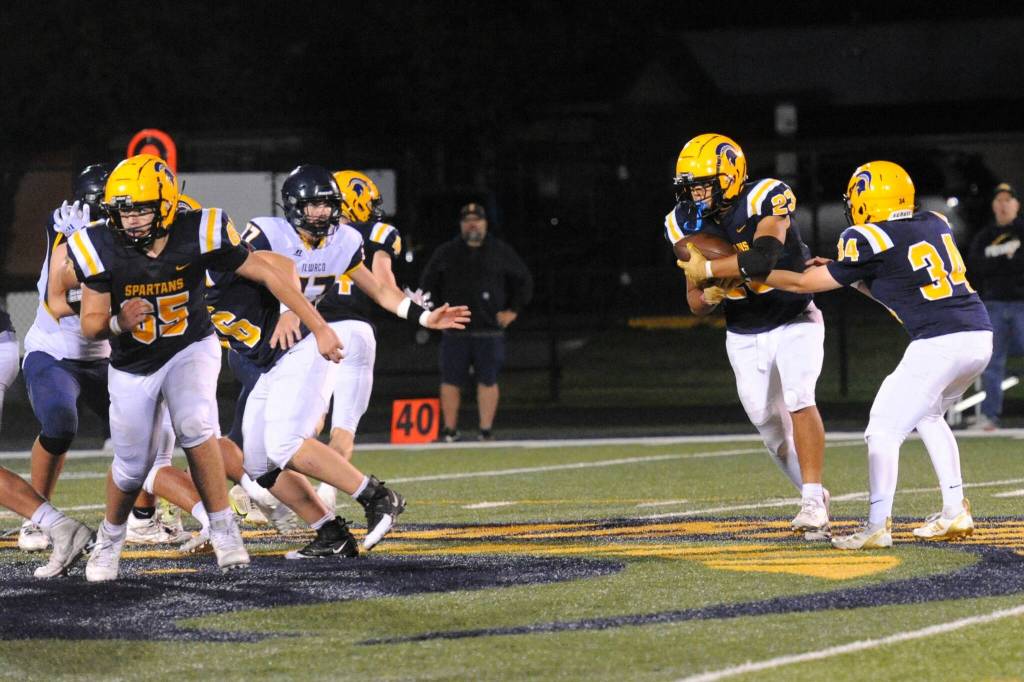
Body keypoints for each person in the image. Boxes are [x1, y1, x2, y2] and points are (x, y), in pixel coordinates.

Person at [67, 154, 344, 581]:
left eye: (140, 208)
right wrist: (119, 321)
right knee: (131, 465)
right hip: (132, 363)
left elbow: (270, 274)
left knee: (198, 425)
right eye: (123, 210)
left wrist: (318, 326)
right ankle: (110, 537)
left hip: (190, 346)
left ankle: (224, 527)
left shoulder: (202, 229)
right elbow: (89, 325)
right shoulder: (97, 244)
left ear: (164, 205)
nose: (131, 220)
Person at [737, 160, 992, 549]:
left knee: (882, 430)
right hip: (977, 336)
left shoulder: (866, 237)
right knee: (928, 414)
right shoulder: (935, 222)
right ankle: (955, 510)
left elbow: (806, 281)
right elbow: (898, 282)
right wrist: (850, 274)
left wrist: (754, 274)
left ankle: (875, 526)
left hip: (938, 342)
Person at [239, 165, 468, 551]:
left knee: (284, 444)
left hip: (307, 344)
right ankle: (331, 535)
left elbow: (379, 290)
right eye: (313, 206)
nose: (322, 215)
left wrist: (425, 316)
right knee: (259, 463)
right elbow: (269, 272)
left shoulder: (344, 240)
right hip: (271, 350)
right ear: (293, 206)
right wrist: (286, 310)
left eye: (328, 206)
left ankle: (376, 496)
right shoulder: (267, 233)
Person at [18, 164, 187, 551]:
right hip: (57, 353)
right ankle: (36, 517)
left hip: (108, 355)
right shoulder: (68, 234)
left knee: (145, 434)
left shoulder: (134, 241)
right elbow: (57, 304)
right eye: (114, 208)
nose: (122, 217)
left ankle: (144, 519)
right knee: (60, 423)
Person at [673, 133, 829, 539]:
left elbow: (763, 258)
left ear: (730, 175)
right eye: (690, 186)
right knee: (770, 429)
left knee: (799, 396)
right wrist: (709, 293)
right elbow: (695, 303)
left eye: (703, 183)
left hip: (794, 315)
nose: (695, 193)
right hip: (743, 329)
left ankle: (811, 501)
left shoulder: (765, 196)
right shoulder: (683, 222)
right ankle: (816, 497)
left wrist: (712, 270)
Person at [312, 170, 402, 511]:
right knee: (343, 428)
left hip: (316, 331)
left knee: (309, 420)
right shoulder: (378, 233)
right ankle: (327, 495)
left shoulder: (311, 233)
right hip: (355, 331)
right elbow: (384, 284)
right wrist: (411, 307)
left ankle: (275, 487)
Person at [419, 202, 533, 442]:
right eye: (467, 220)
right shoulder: (447, 251)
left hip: (489, 330)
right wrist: (434, 314)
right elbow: (427, 285)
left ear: (485, 223)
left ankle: (485, 430)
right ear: (461, 225)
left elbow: (524, 280)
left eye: (477, 220)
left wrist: (513, 311)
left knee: (488, 380)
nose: (472, 224)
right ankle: (450, 430)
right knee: (450, 380)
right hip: (454, 330)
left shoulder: (499, 250)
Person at [966, 182, 1024, 430]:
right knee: (992, 361)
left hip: (1021, 303)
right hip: (993, 305)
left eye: (1008, 200)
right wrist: (1006, 259)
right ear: (993, 205)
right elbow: (975, 266)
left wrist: (1000, 262)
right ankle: (990, 417)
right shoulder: (985, 235)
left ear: (1017, 204)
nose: (1003, 205)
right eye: (999, 200)